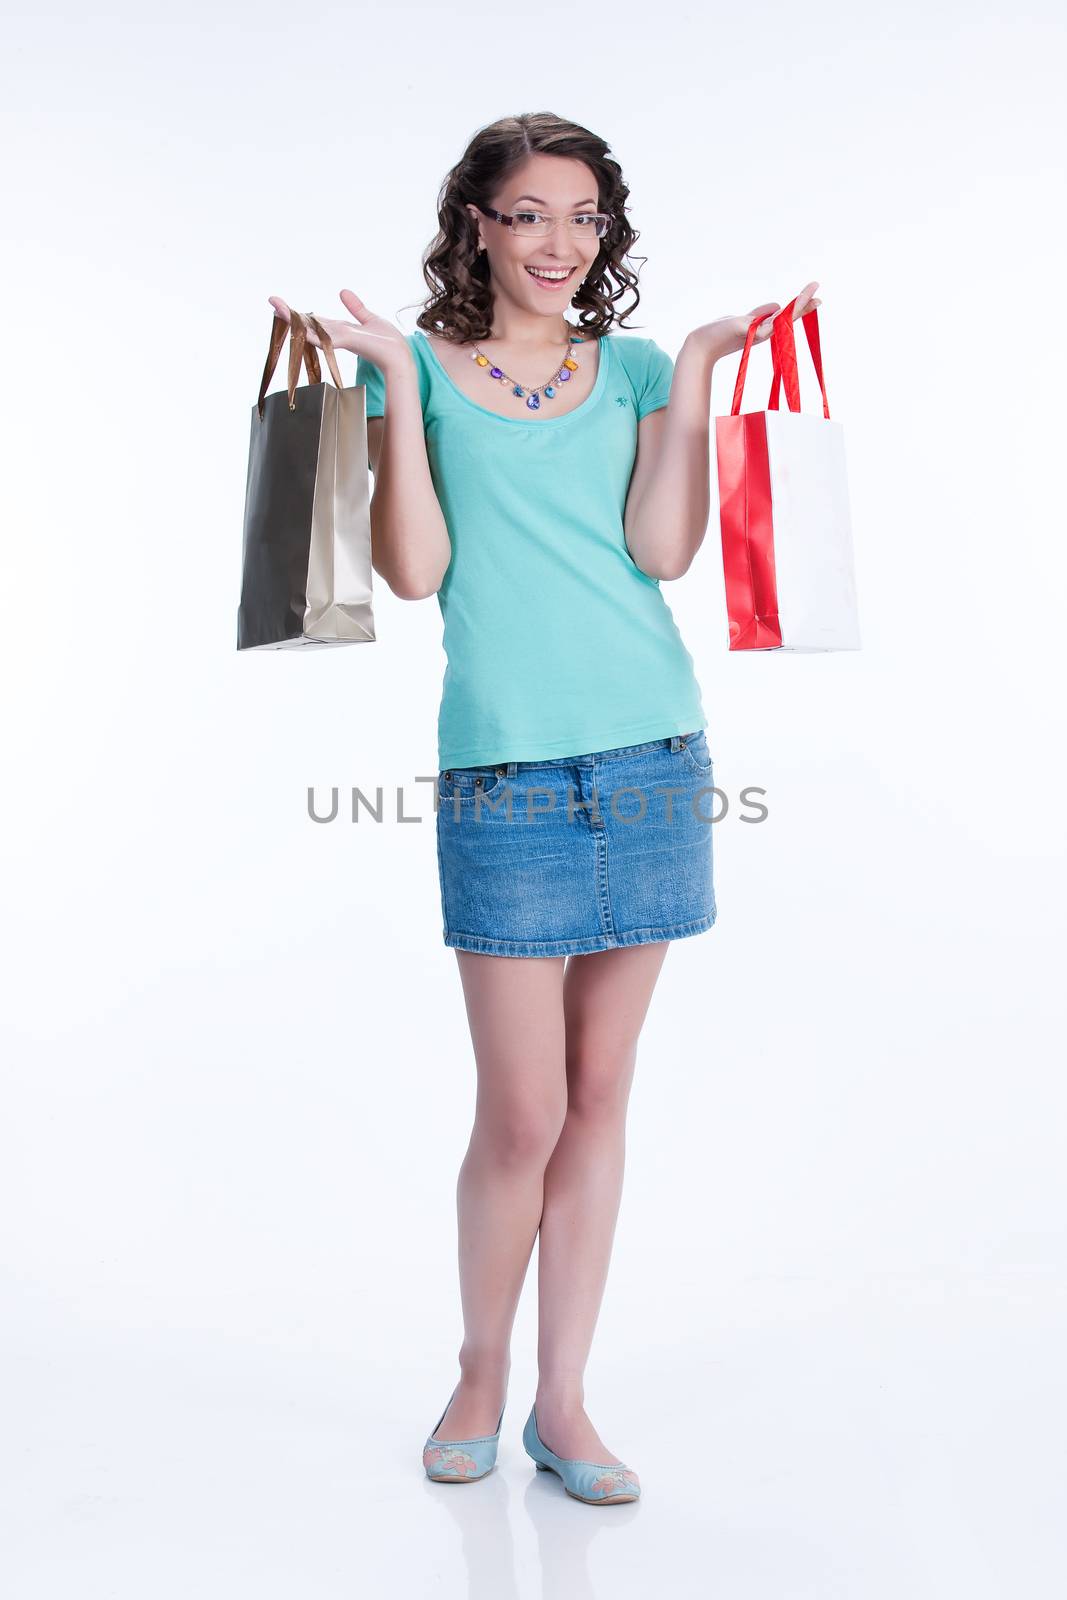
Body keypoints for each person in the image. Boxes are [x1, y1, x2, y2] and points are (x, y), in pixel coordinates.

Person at [269, 111, 819, 1506]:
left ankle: (564, 1403)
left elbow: (660, 549)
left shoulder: (630, 367)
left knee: (598, 1097)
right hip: (507, 773)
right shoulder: (429, 374)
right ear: (478, 227)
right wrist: (395, 382)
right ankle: (479, 1367)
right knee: (520, 1114)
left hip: (651, 756)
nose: (561, 243)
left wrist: (692, 377)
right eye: (530, 214)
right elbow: (411, 574)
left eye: (583, 217)